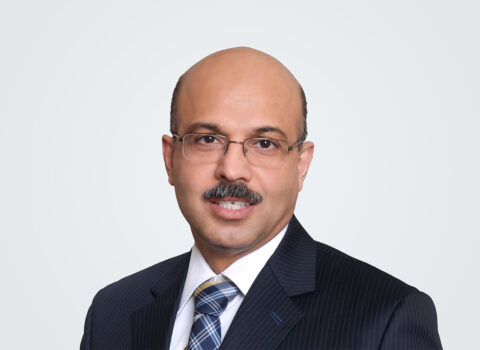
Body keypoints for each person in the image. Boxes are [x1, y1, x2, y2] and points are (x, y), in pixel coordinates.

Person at [80, 47, 442, 350]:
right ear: (170, 158)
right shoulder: (112, 312)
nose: (233, 169)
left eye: (264, 144)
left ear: (301, 165)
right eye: (207, 138)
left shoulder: (385, 317)